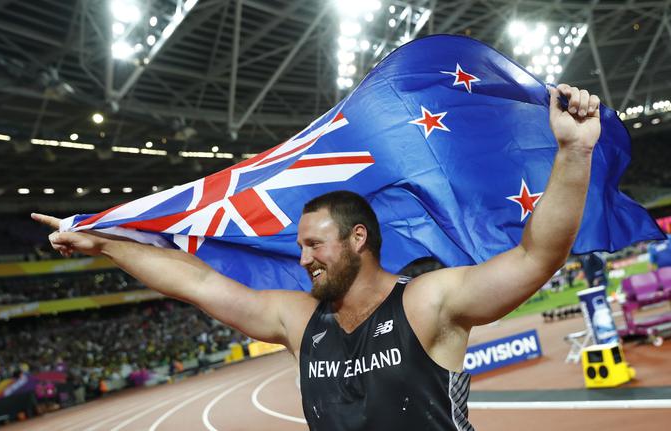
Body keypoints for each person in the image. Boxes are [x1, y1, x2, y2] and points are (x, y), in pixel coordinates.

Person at [32, 83, 601, 430]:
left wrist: (574, 150)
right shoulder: (300, 322)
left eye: (313, 244)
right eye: (300, 246)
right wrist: (105, 242)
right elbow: (196, 285)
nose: (302, 258)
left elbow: (536, 256)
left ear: (358, 239)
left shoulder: (428, 302)